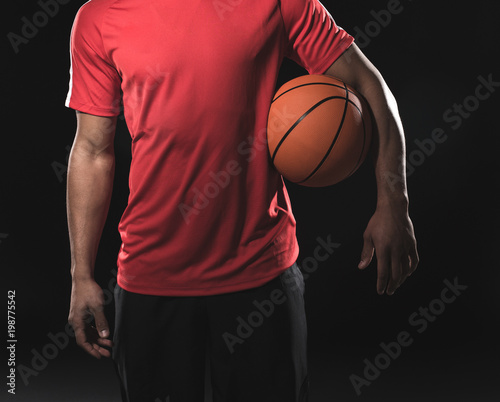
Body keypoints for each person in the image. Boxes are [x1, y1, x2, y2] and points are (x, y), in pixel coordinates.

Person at [65, 0, 418, 401]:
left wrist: (394, 201)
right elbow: (93, 150)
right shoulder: (100, 17)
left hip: (260, 275)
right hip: (151, 277)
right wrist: (81, 275)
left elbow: (370, 85)